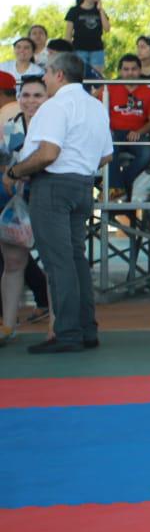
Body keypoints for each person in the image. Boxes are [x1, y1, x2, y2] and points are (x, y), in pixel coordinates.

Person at [2, 54, 113, 353]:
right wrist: (81, 162)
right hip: (82, 184)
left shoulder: (56, 106)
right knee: (75, 259)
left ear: (60, 75)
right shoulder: (95, 105)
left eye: (47, 74)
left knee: (58, 261)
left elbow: (48, 152)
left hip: (53, 185)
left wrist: (15, 171)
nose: (45, 79)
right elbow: (106, 155)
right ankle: (86, 329)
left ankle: (66, 333)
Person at [0, 77, 47, 345]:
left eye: (37, 95)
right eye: (26, 95)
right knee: (14, 262)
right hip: (16, 201)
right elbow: (4, 161)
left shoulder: (56, 124)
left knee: (54, 264)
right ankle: (7, 325)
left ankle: (58, 325)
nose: (30, 100)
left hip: (49, 197)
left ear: (47, 98)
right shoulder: (10, 127)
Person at [107, 54, 150, 198]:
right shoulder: (109, 89)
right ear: (120, 71)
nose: (130, 72)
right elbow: (97, 111)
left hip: (137, 134)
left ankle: (118, 187)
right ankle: (118, 188)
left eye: (134, 69)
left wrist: (139, 131)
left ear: (140, 70)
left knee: (147, 153)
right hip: (114, 133)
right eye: (126, 69)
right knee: (108, 147)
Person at [64, 0, 110, 74]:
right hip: (79, 48)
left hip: (97, 49)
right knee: (80, 76)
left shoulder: (99, 11)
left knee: (96, 78)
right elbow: (68, 33)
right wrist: (67, 50)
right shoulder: (74, 10)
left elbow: (107, 28)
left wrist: (100, 9)